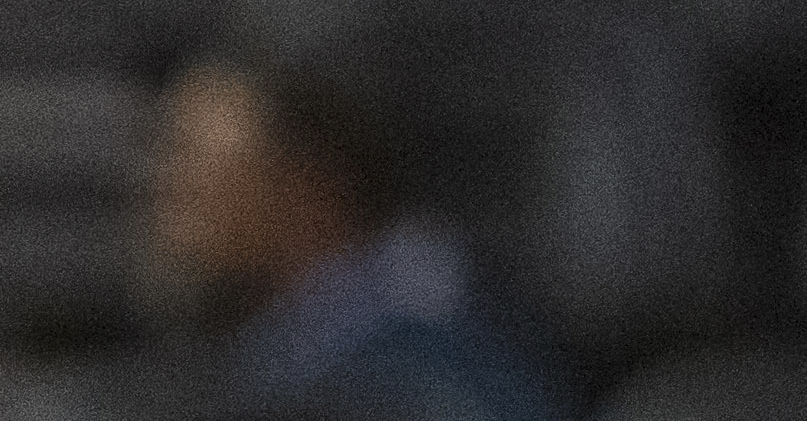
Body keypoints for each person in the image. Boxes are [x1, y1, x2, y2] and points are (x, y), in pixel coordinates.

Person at [113, 52, 562, 421]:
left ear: (308, 186)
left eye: (197, 156)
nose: (169, 184)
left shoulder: (428, 343)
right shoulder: (289, 342)